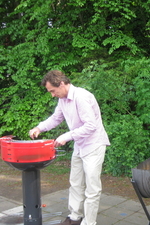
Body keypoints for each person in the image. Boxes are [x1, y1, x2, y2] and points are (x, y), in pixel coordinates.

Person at [29, 70, 110, 225]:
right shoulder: (63, 99)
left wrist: (66, 136)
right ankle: (74, 217)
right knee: (75, 182)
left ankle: (89, 222)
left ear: (61, 84)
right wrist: (39, 128)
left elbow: (91, 126)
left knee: (92, 188)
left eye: (52, 91)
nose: (52, 95)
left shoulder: (82, 97)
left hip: (94, 145)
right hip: (80, 145)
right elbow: (56, 118)